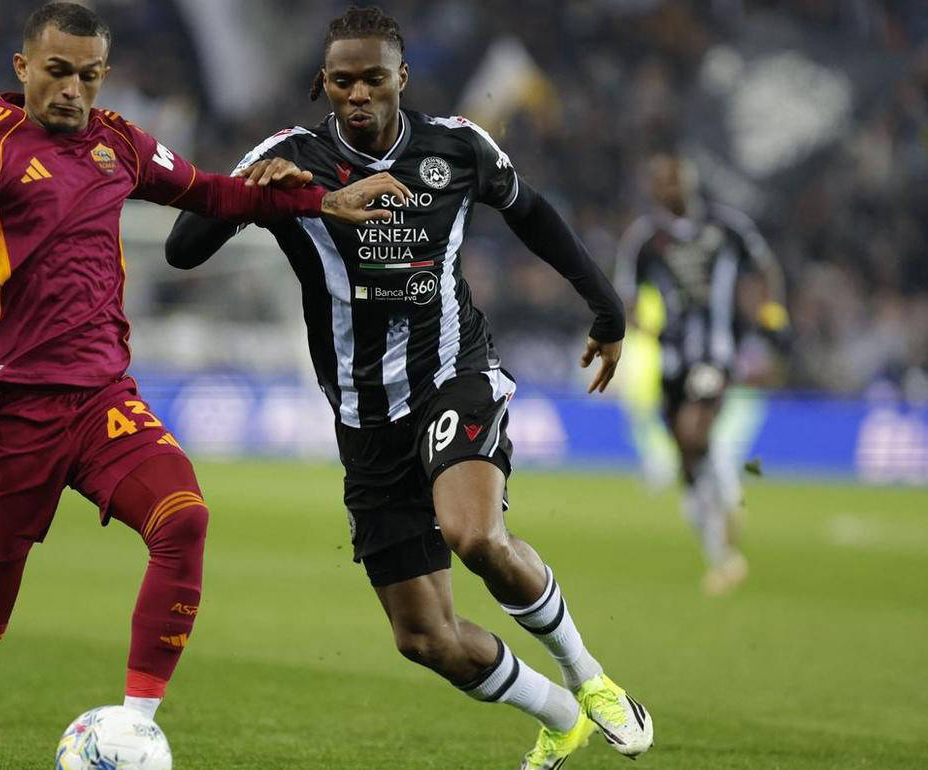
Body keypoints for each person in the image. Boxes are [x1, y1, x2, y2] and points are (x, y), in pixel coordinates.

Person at [0, 2, 408, 735]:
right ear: (23, 68)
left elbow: (213, 193)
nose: (72, 90)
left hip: (100, 400)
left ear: (103, 74)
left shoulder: (119, 143)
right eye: (57, 72)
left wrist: (321, 199)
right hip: (12, 412)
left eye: (88, 76)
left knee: (184, 519)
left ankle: (136, 726)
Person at [165, 7, 653, 768]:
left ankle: (591, 680)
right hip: (364, 416)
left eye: (373, 78)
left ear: (402, 77)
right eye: (342, 81)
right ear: (322, 83)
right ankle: (562, 717)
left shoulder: (456, 147)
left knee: (473, 534)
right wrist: (260, 195)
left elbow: (532, 214)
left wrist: (606, 307)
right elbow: (182, 249)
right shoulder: (290, 157)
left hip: (453, 374)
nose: (358, 94)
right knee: (425, 638)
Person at [614, 152, 788, 595]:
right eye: (660, 182)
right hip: (672, 360)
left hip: (717, 353)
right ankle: (721, 551)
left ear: (689, 183)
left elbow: (765, 268)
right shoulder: (645, 239)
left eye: (674, 180)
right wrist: (642, 326)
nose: (667, 189)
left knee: (694, 433)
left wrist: (770, 315)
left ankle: (726, 504)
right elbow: (626, 295)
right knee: (687, 458)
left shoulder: (726, 227)